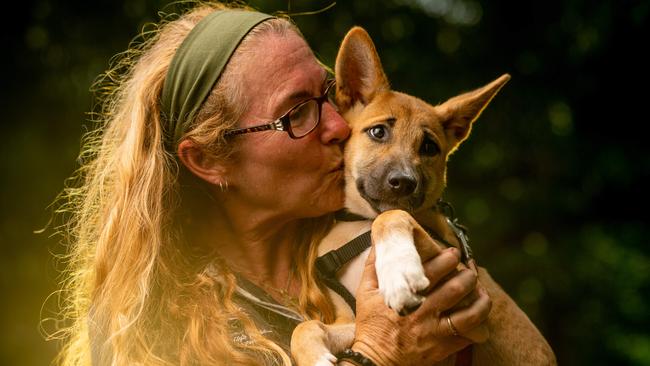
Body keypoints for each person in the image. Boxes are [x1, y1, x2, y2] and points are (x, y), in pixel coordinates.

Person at [53, 2, 496, 365]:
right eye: (297, 113)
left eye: (328, 93)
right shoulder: (146, 332)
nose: (341, 124)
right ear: (209, 159)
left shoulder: (367, 231)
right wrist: (377, 353)